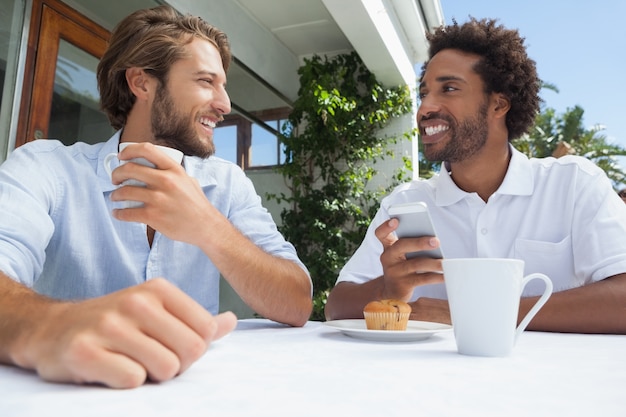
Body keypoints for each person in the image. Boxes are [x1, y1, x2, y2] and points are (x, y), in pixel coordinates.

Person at [0, 6, 312, 389]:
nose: (225, 104)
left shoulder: (227, 184)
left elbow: (297, 302)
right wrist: (55, 324)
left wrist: (209, 227)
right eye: (205, 81)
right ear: (142, 83)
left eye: (223, 85)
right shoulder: (46, 169)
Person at [325, 17, 626, 334]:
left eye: (449, 88)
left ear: (498, 105)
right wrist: (386, 289)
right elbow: (336, 306)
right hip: (433, 382)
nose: (425, 107)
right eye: (424, 92)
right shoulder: (406, 203)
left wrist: (471, 313)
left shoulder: (573, 183)